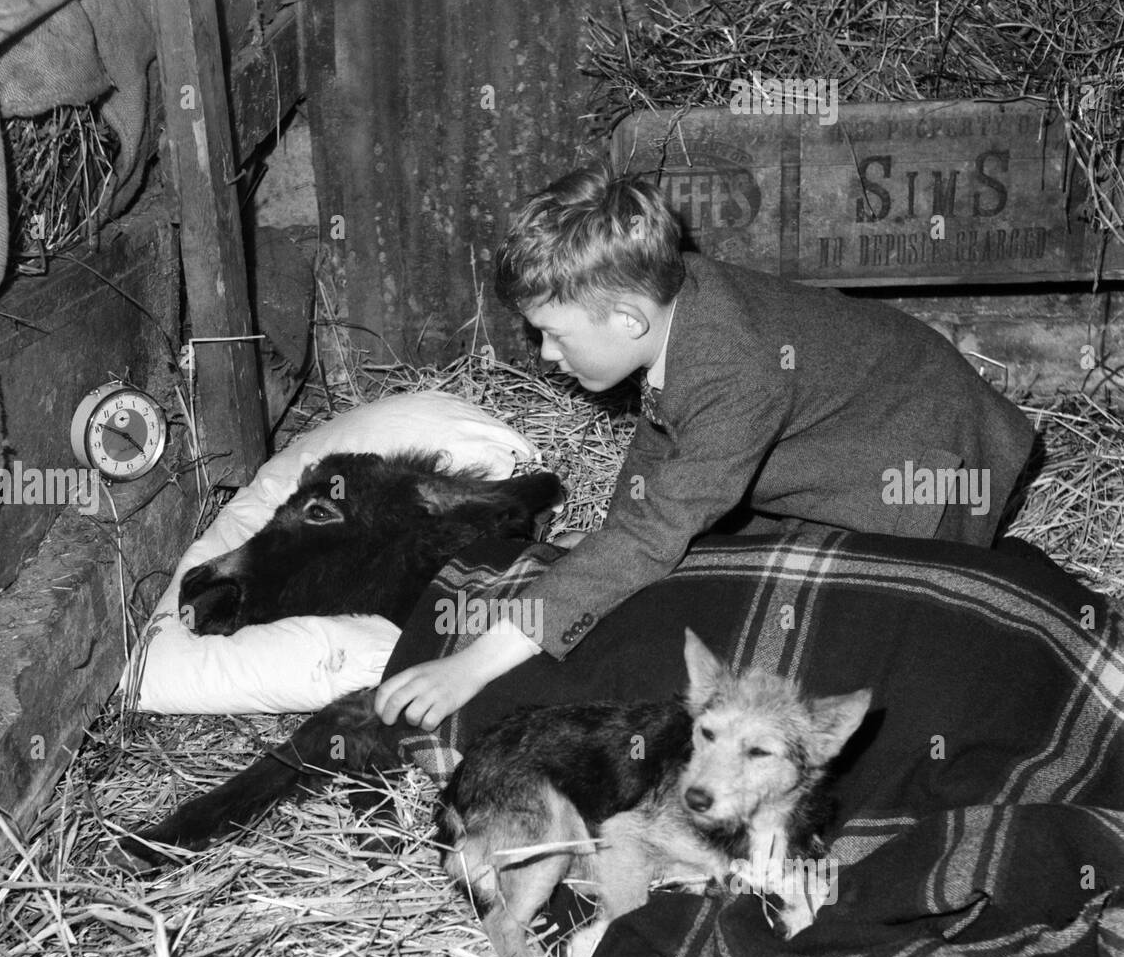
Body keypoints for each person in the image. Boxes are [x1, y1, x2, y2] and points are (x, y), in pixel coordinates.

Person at [376, 159, 1036, 731]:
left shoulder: (734, 372)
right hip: (853, 424)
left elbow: (654, 533)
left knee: (864, 641)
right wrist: (610, 534)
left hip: (928, 456)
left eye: (551, 333)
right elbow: (663, 429)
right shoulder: (672, 300)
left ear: (627, 320)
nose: (546, 356)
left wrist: (471, 666)